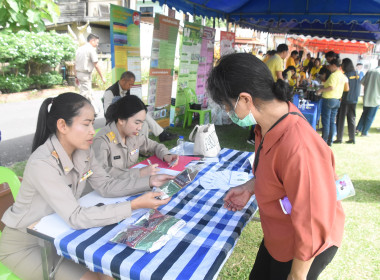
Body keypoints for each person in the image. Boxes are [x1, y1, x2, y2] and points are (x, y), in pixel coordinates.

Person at [0, 92, 173, 280]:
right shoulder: (42, 163)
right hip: (28, 245)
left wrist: (148, 182)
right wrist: (133, 206)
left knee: (108, 271)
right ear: (62, 125)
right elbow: (75, 216)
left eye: (92, 123)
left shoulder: (84, 151)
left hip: (61, 234)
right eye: (86, 124)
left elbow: (105, 185)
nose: (93, 130)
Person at [206, 53, 344, 280]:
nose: (229, 113)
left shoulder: (299, 146)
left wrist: (297, 276)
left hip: (305, 246)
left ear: (244, 99)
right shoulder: (267, 123)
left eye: (227, 106)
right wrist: (250, 186)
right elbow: (274, 171)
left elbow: (312, 220)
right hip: (281, 235)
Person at [93, 95, 179, 178]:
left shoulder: (133, 134)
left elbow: (155, 146)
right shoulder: (102, 141)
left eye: (142, 122)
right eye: (137, 123)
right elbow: (100, 173)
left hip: (127, 184)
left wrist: (166, 155)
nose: (140, 128)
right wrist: (139, 173)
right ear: (121, 120)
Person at [103, 71, 177, 142]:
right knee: (143, 115)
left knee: (144, 123)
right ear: (122, 80)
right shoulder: (109, 92)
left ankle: (143, 146)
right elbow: (108, 113)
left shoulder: (126, 90)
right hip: (116, 120)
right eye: (130, 84)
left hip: (126, 117)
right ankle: (162, 134)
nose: (130, 87)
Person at [316, 58, 348, 146]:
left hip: (329, 99)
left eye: (330, 65)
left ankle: (324, 140)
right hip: (337, 100)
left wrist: (321, 90)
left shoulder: (333, 75)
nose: (329, 67)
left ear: (334, 65)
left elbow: (331, 87)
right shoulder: (342, 75)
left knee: (326, 122)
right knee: (332, 121)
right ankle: (330, 141)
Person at [334, 58, 361, 144]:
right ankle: (352, 138)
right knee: (352, 118)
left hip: (346, 99)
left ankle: (339, 138)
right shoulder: (357, 74)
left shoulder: (345, 75)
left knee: (340, 119)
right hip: (354, 100)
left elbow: (344, 89)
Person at [75, 34, 106, 107]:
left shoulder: (79, 49)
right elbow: (96, 65)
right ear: (92, 41)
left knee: (89, 93)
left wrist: (76, 76)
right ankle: (77, 109)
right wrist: (102, 77)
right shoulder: (91, 49)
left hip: (79, 74)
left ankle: (94, 110)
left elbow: (74, 64)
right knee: (84, 94)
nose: (97, 44)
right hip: (85, 75)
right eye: (97, 42)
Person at [356, 59, 380, 136]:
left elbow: (362, 82)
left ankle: (358, 128)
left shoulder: (370, 71)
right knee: (370, 116)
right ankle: (365, 132)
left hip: (367, 96)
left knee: (364, 113)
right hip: (376, 97)